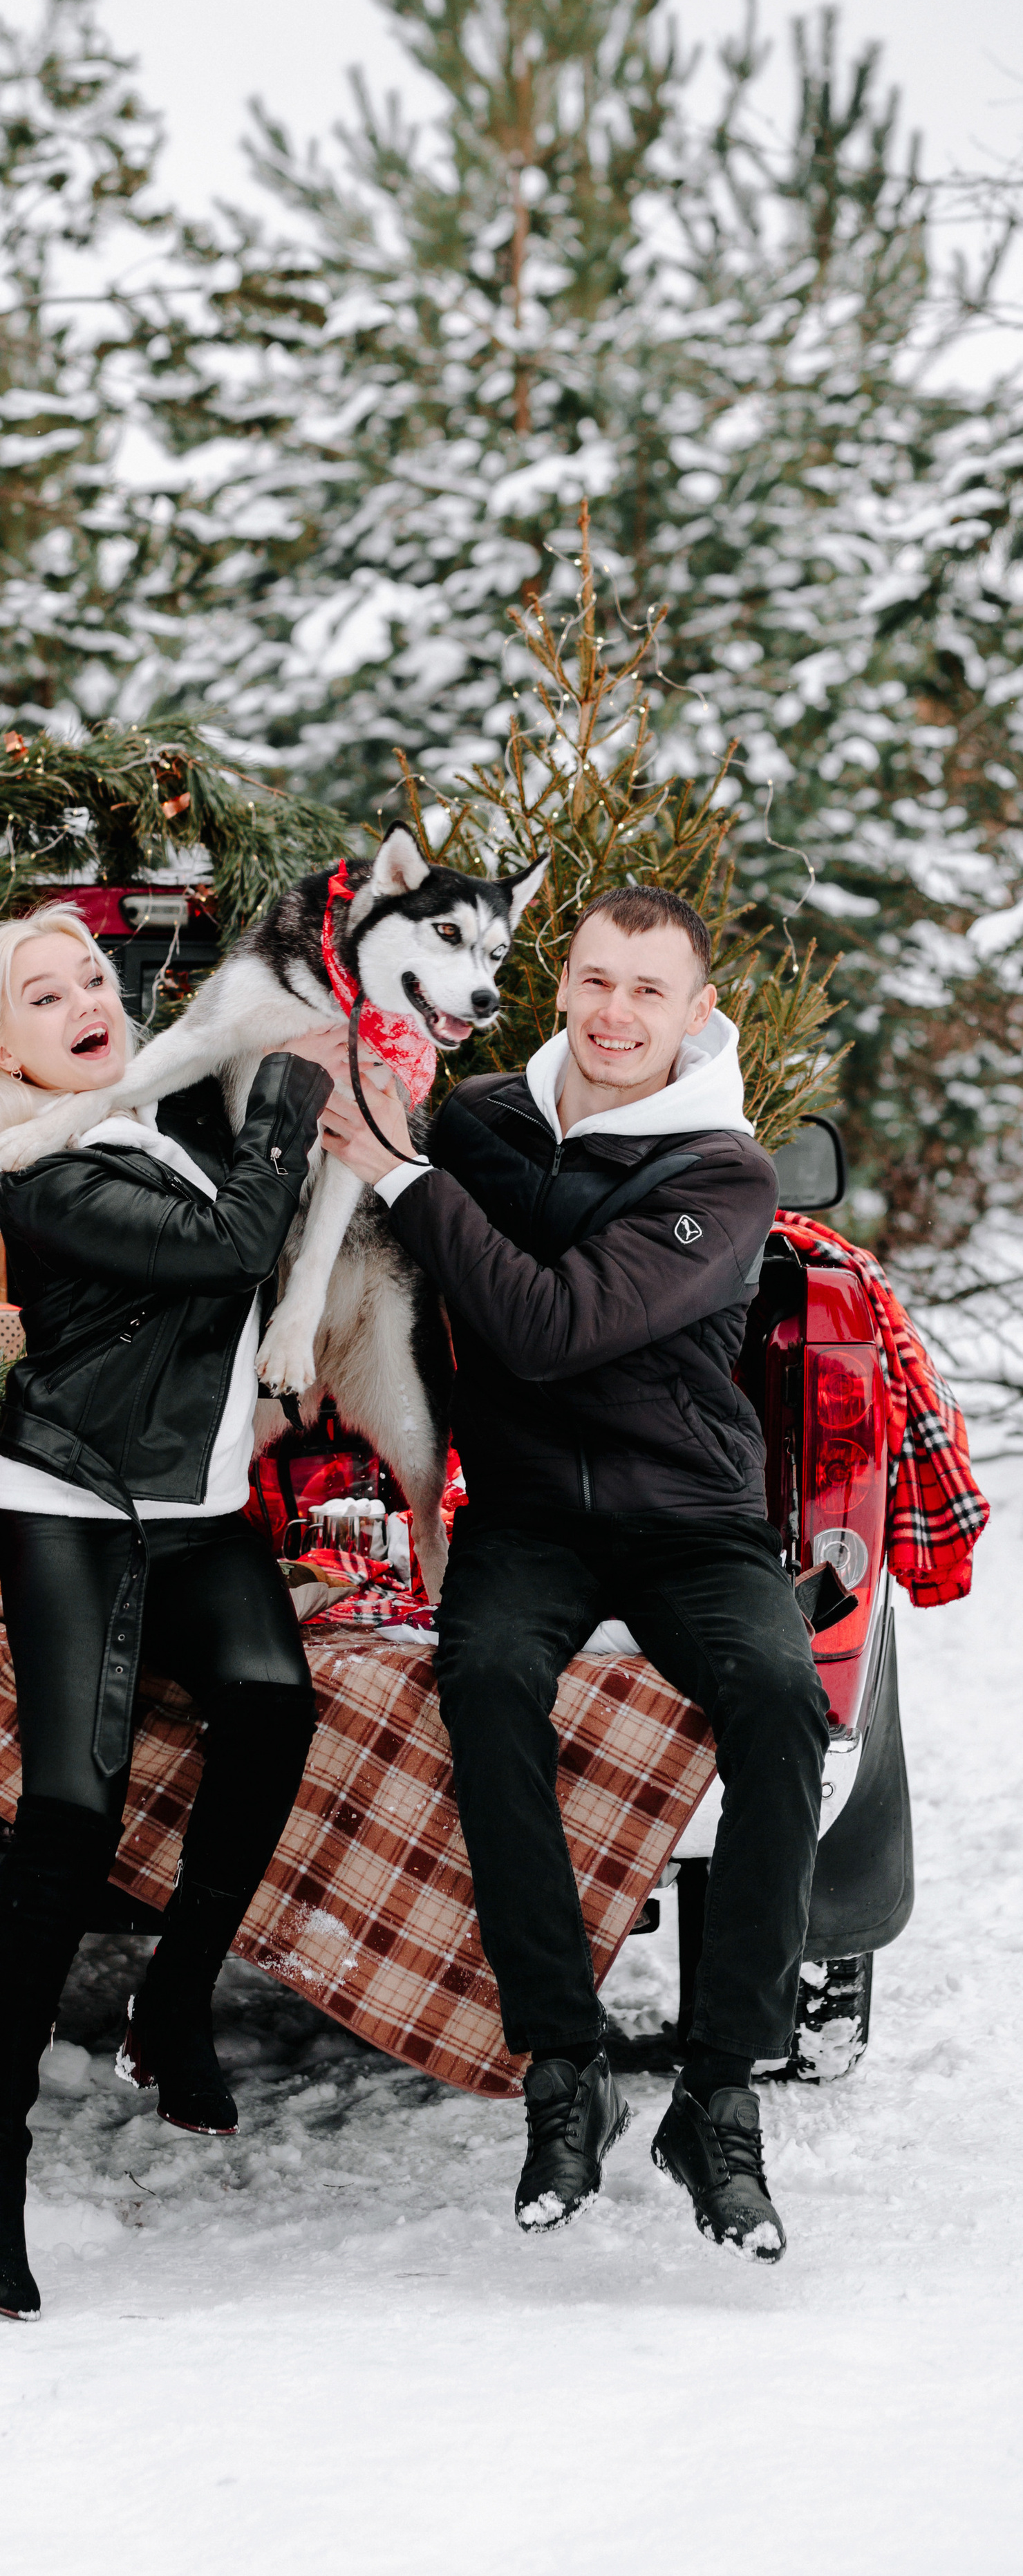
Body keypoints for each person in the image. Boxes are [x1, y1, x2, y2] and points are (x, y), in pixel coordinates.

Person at [319, 884, 828, 2264]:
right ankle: (563, 2071)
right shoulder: (478, 1120)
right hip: (529, 1517)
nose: (614, 1012)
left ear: (693, 1013)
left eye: (645, 991)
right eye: (594, 981)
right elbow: (386, 1241)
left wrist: (410, 1180)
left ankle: (717, 2096)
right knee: (480, 1678)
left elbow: (549, 1329)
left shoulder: (721, 1174)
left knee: (780, 1703)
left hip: (687, 1518)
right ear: (562, 986)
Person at [0, 910, 340, 2319]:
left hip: (196, 1507)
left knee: (271, 1705)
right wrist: (292, 1080)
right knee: (69, 1818)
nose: (83, 1000)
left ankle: (172, 2004)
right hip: (74, 1508)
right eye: (45, 993)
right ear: (2, 1045)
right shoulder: (31, 1169)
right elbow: (231, 1249)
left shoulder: (129, 1126)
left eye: (93, 978)